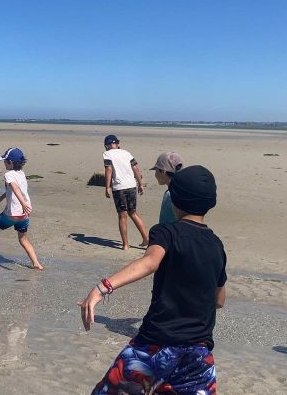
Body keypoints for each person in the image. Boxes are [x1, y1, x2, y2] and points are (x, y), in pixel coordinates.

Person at [78, 165, 226, 394]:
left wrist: (102, 288)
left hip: (156, 345)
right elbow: (219, 300)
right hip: (198, 352)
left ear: (174, 199)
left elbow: (149, 262)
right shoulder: (216, 245)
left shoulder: (166, 232)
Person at [0, 147, 43, 270]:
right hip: (25, 214)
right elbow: (12, 190)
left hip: (13, 213)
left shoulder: (8, 174)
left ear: (10, 162)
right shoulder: (21, 173)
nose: (3, 163)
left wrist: (22, 203)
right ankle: (36, 263)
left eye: (5, 161)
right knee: (23, 238)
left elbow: (15, 188)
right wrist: (1, 198)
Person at [103, 135, 149, 250]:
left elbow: (108, 169)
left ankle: (126, 245)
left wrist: (107, 186)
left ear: (107, 145)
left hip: (119, 187)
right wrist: (140, 183)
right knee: (133, 212)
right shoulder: (126, 153)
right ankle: (146, 238)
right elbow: (135, 168)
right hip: (131, 185)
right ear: (117, 143)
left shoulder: (107, 154)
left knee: (122, 215)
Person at [150, 152, 184, 224]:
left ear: (163, 171)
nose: (155, 174)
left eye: (156, 170)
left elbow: (166, 221)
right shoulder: (182, 191)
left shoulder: (170, 194)